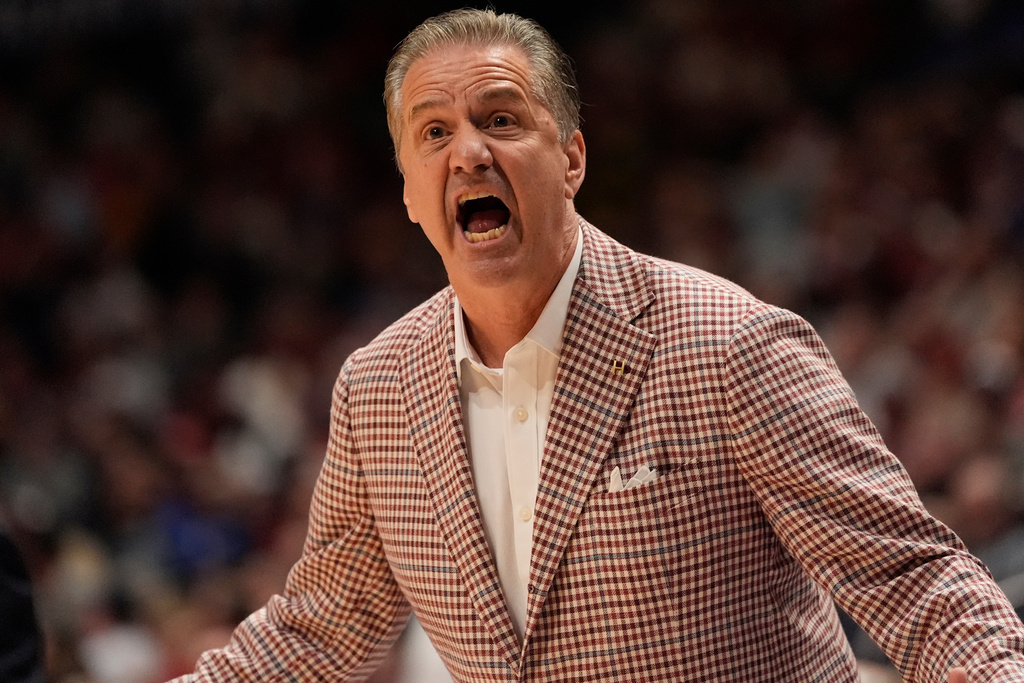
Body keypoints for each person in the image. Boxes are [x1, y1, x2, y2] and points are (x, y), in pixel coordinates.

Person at [172, 8, 1024, 682]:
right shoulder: (377, 388)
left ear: (572, 157)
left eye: (499, 118)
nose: (467, 151)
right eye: (433, 133)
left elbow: (915, 581)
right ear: (407, 193)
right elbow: (320, 628)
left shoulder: (727, 343)